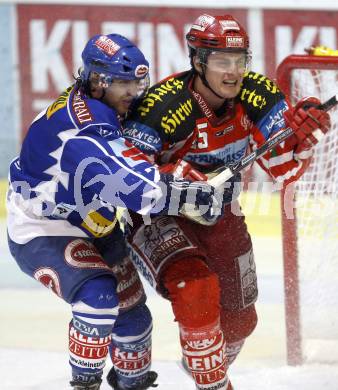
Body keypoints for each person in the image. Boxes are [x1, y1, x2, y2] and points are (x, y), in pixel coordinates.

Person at [123, 14, 331, 390]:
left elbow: (283, 170)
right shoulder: (162, 105)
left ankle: (203, 363)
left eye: (240, 61)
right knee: (196, 291)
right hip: (160, 216)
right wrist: (179, 179)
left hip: (221, 213)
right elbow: (125, 178)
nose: (233, 72)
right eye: (221, 61)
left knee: (240, 322)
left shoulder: (258, 94)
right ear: (197, 61)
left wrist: (301, 140)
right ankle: (215, 383)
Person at [6, 33, 224, 390]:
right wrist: (182, 193)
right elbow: (130, 185)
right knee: (99, 300)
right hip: (44, 227)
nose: (133, 92)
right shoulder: (85, 128)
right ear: (96, 80)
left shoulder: (106, 107)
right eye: (123, 82)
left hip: (95, 224)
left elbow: (135, 160)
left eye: (137, 82)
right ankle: (86, 386)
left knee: (135, 325)